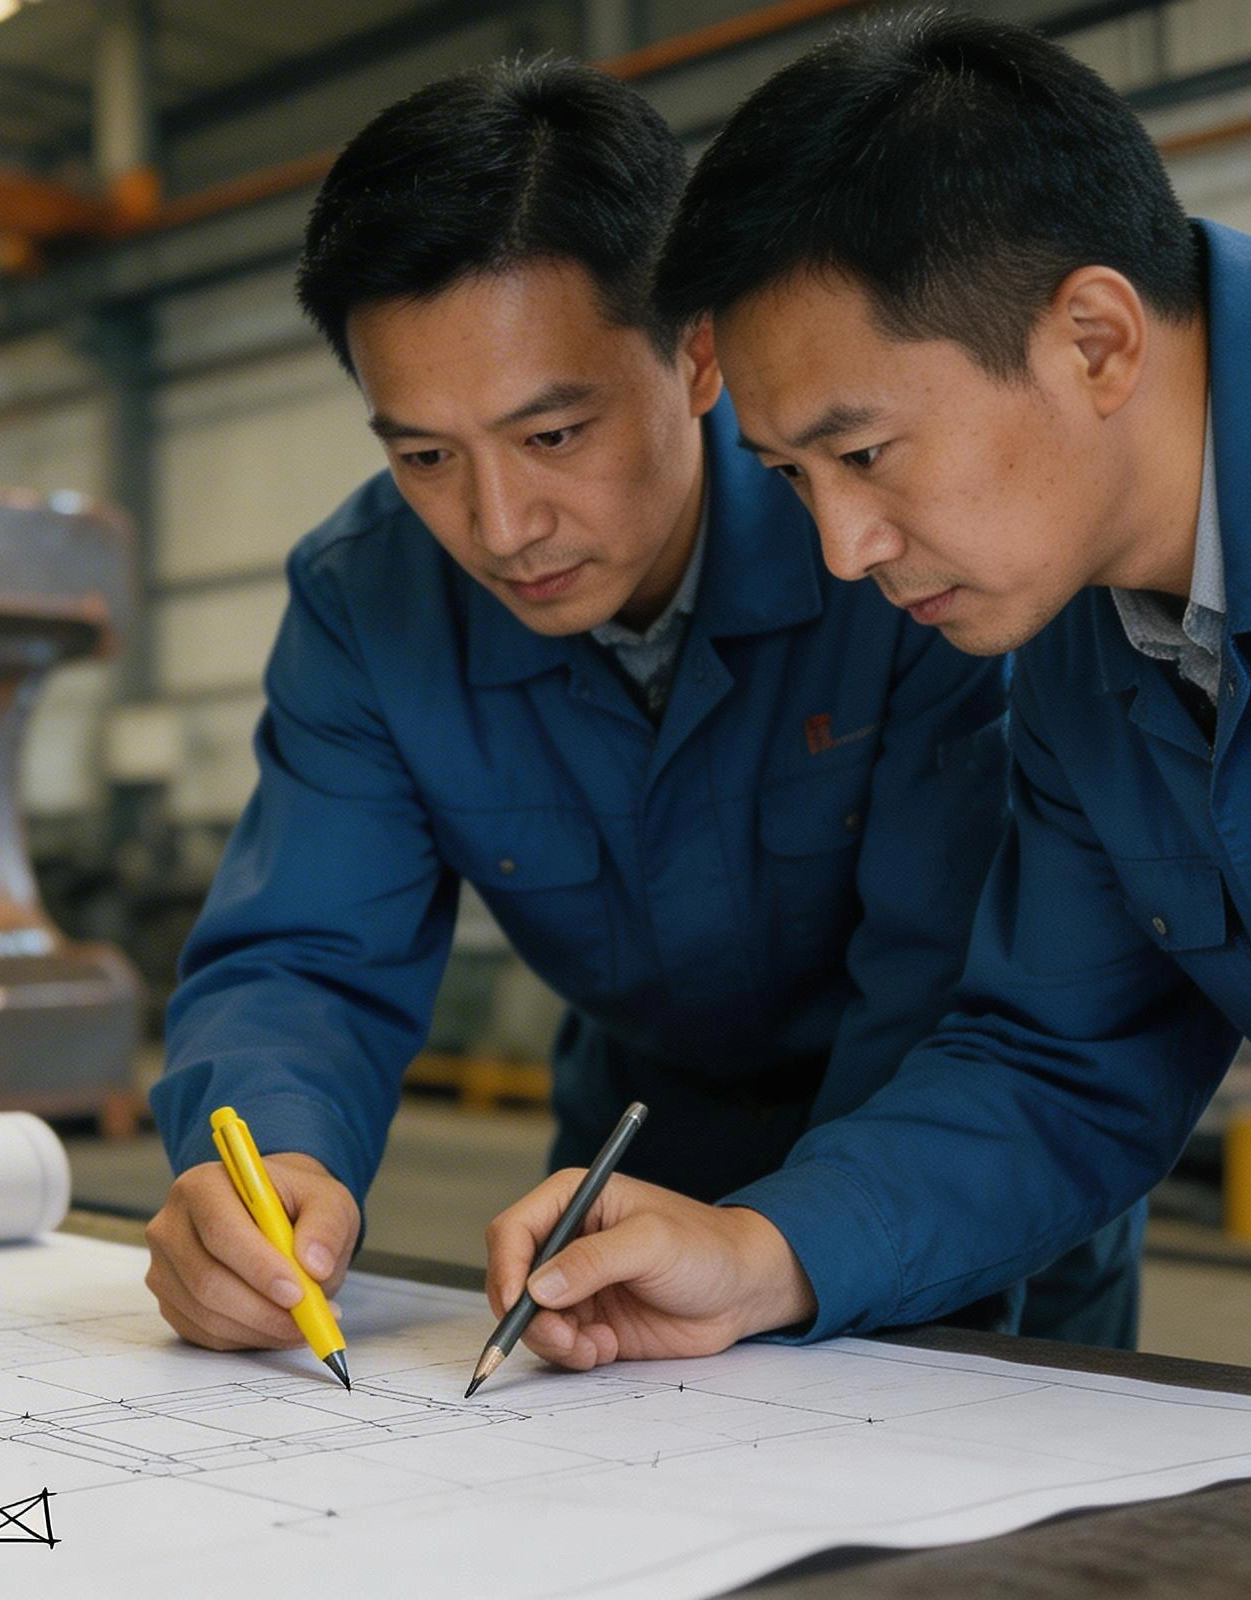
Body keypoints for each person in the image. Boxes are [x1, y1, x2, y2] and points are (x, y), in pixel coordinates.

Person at [480, 10, 1251, 1404]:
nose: (842, 549)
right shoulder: (1083, 647)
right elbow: (1058, 1065)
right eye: (792, 477)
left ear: (1093, 339)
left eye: (865, 452)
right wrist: (760, 1246)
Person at [142, 56, 1143, 1360]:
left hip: (953, 1179)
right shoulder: (367, 602)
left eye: (554, 435)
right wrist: (265, 1162)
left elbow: (960, 992)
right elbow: (304, 954)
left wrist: (796, 1249)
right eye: (425, 456)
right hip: (625, 1181)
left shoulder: (892, 549)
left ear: (699, 356)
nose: (501, 527)